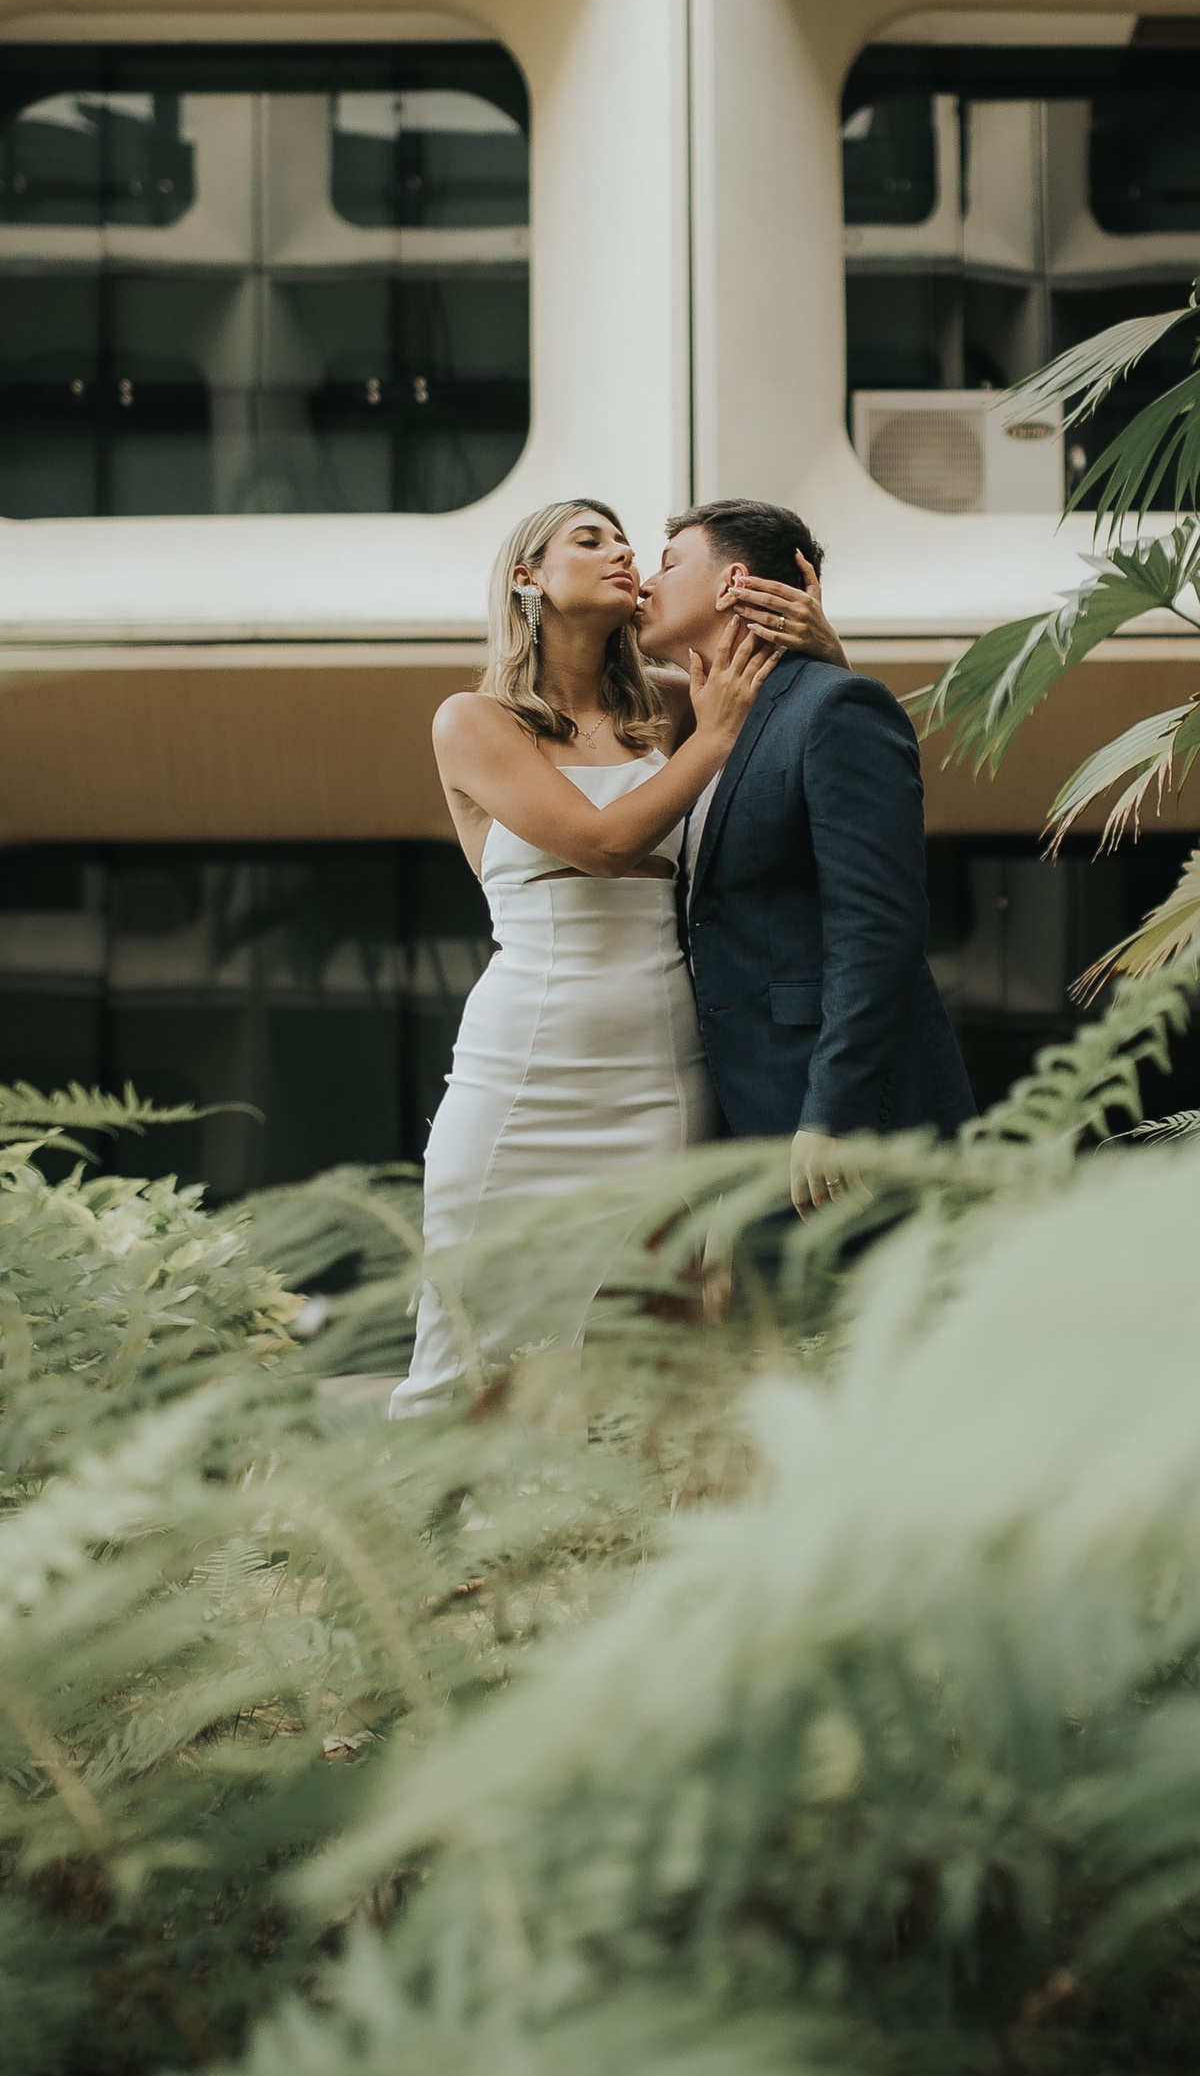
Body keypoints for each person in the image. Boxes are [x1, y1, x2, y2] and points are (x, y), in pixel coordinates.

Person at [388, 497, 779, 1414]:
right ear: (528, 576)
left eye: (627, 542)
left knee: (660, 1340)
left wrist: (819, 636)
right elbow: (601, 843)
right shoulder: (473, 721)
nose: (622, 553)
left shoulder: (679, 705)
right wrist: (716, 739)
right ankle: (424, 1546)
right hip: (521, 1062)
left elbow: (805, 706)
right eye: (590, 539)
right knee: (461, 1339)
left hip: (662, 1061)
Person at [639, 500, 976, 1213]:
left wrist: (834, 1112)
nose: (645, 583)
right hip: (742, 1119)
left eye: (668, 565)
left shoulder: (836, 708)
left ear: (732, 581)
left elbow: (877, 928)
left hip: (841, 1128)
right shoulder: (699, 728)